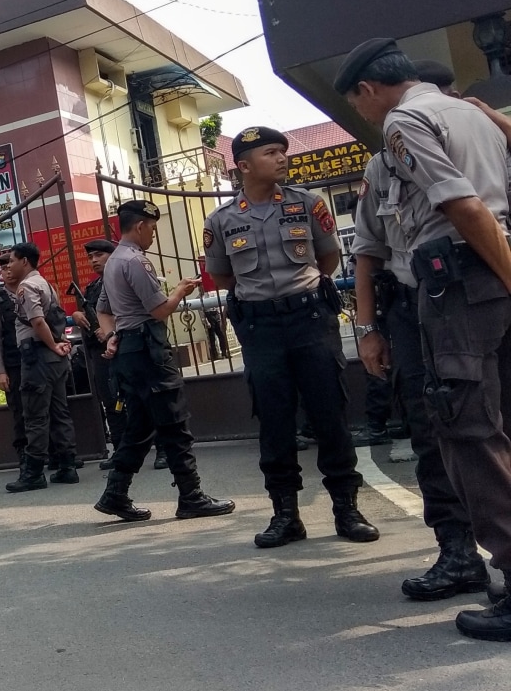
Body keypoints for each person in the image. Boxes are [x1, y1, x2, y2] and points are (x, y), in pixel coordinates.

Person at [336, 39, 511, 640]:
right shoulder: (470, 123)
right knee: (462, 426)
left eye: (359, 105)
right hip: (440, 297)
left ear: (369, 89)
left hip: (459, 287)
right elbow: (369, 251)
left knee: (468, 428)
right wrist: (369, 329)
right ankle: (460, 551)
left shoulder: (407, 123)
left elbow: (464, 209)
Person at [203, 126, 380, 549]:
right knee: (274, 418)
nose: (281, 158)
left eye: (283, 151)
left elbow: (328, 256)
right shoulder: (222, 221)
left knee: (328, 411)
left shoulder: (308, 203)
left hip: (309, 319)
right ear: (244, 166)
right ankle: (286, 515)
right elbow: (222, 274)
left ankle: (346, 509)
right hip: (260, 327)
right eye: (270, 152)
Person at [93, 200, 236, 521]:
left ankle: (115, 493)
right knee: (173, 421)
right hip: (148, 350)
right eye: (153, 228)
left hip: (130, 351)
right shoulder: (134, 261)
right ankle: (191, 495)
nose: (154, 235)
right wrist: (181, 291)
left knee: (140, 426)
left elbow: (103, 310)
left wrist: (111, 335)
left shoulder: (114, 261)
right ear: (140, 226)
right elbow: (159, 310)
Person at [2, 242, 77, 492]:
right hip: (54, 359)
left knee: (34, 414)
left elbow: (37, 321)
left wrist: (53, 345)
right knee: (59, 411)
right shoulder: (46, 283)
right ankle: (68, 466)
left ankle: (33, 473)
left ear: (25, 261)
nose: (8, 265)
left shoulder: (27, 287)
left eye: (11, 260)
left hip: (38, 357)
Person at [73, 239, 125, 469]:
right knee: (110, 401)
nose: (93, 261)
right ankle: (120, 449)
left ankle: (162, 448)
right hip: (100, 353)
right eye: (90, 257)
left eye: (98, 256)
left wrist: (111, 330)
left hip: (126, 348)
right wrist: (76, 315)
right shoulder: (92, 289)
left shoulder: (124, 280)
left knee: (142, 397)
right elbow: (87, 314)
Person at [0, 249, 27, 467]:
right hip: (14, 365)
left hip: (36, 360)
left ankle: (54, 452)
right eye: (2, 267)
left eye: (9, 265)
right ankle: (24, 455)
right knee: (20, 410)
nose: (6, 271)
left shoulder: (30, 290)